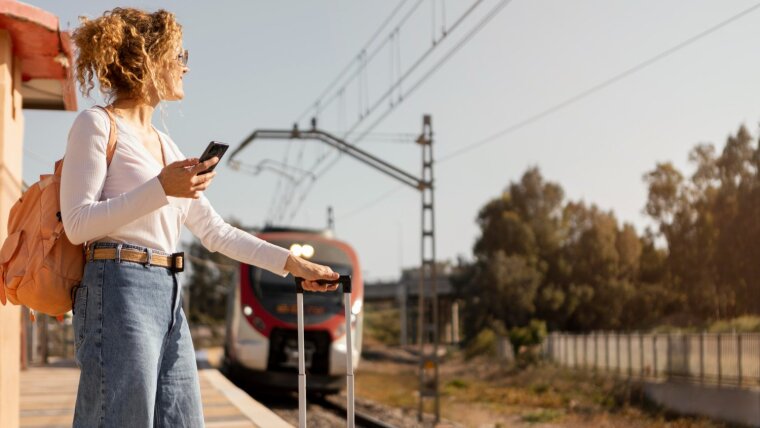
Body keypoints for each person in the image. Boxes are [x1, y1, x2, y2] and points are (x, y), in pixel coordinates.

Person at [61, 7, 338, 427]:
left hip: (169, 292)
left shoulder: (168, 148)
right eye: (177, 55)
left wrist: (292, 264)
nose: (184, 66)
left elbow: (215, 232)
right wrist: (161, 189)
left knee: (183, 420)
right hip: (117, 288)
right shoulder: (96, 124)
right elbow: (77, 222)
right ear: (146, 60)